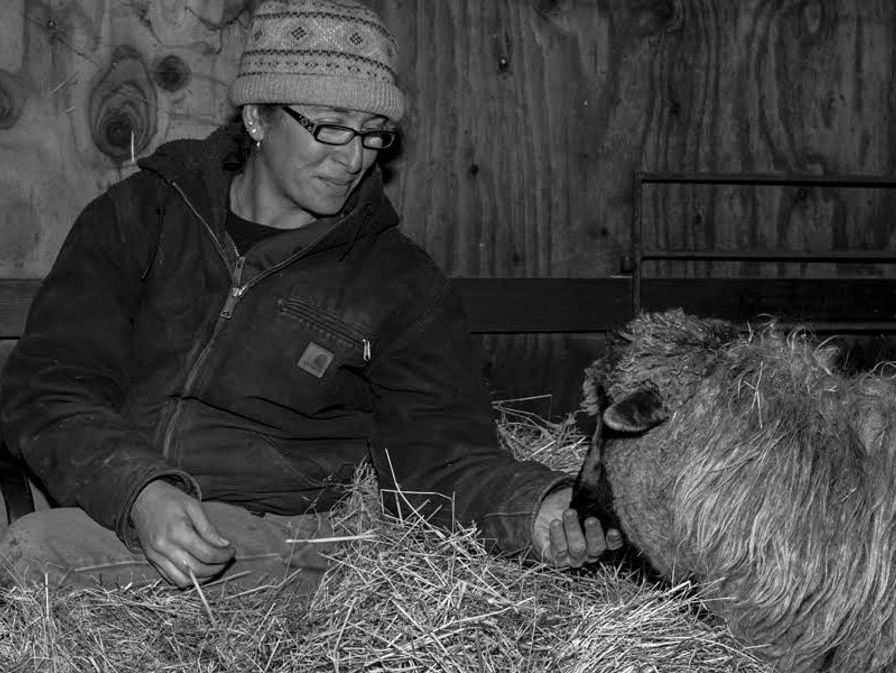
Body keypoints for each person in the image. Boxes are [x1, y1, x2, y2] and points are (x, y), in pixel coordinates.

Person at [0, 0, 619, 591]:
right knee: (34, 540)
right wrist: (138, 491)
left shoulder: (398, 284)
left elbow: (442, 460)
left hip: (266, 543)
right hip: (112, 499)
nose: (352, 158)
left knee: (35, 552)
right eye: (329, 127)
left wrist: (535, 507)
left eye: (374, 133)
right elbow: (51, 384)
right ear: (256, 119)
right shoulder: (144, 216)